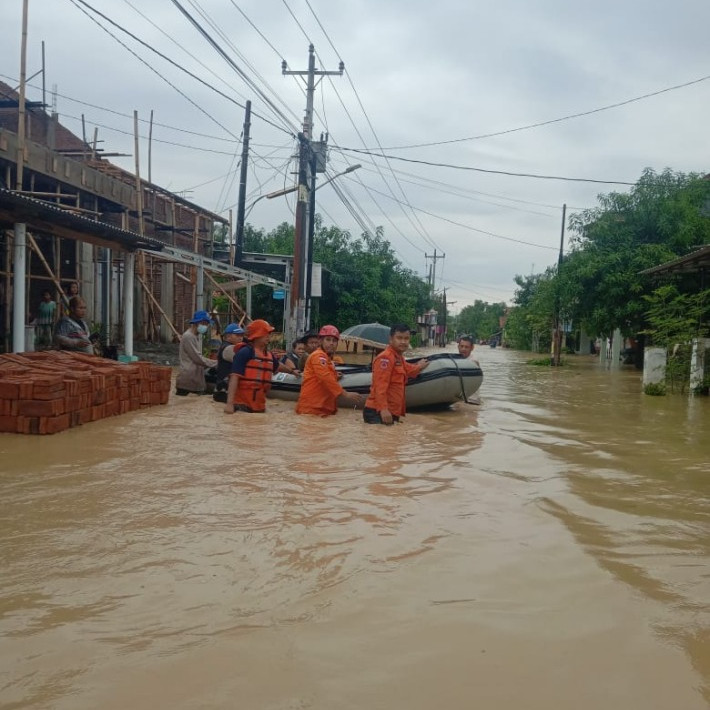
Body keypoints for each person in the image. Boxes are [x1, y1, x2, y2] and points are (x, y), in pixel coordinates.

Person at [363, 323, 429, 425]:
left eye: (406, 338)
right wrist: (383, 409)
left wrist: (419, 366)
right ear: (391, 339)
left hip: (391, 411)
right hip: (378, 411)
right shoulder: (385, 358)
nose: (403, 342)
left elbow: (409, 370)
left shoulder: (399, 358)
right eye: (399, 338)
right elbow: (380, 386)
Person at [296, 325, 361, 416]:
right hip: (312, 410)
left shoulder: (327, 359)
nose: (331, 343)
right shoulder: (318, 356)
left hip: (322, 410)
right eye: (328, 340)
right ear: (321, 341)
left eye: (334, 341)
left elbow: (323, 376)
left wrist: (334, 376)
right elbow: (324, 377)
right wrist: (345, 394)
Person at [224, 319, 281, 414]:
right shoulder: (245, 352)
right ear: (257, 335)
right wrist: (229, 404)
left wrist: (292, 371)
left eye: (269, 333)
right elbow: (234, 377)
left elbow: (278, 366)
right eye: (265, 333)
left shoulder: (268, 355)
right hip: (242, 406)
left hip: (259, 407)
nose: (268, 336)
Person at [175, 309, 215, 396]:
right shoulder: (188, 336)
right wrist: (215, 363)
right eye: (204, 323)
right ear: (197, 323)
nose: (206, 326)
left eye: (207, 324)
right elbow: (197, 358)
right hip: (188, 381)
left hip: (194, 379)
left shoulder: (194, 336)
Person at [212, 323, 246, 402]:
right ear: (228, 336)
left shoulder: (225, 346)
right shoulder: (230, 348)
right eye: (237, 335)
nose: (240, 338)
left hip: (222, 390)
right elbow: (244, 363)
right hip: (225, 392)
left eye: (241, 335)